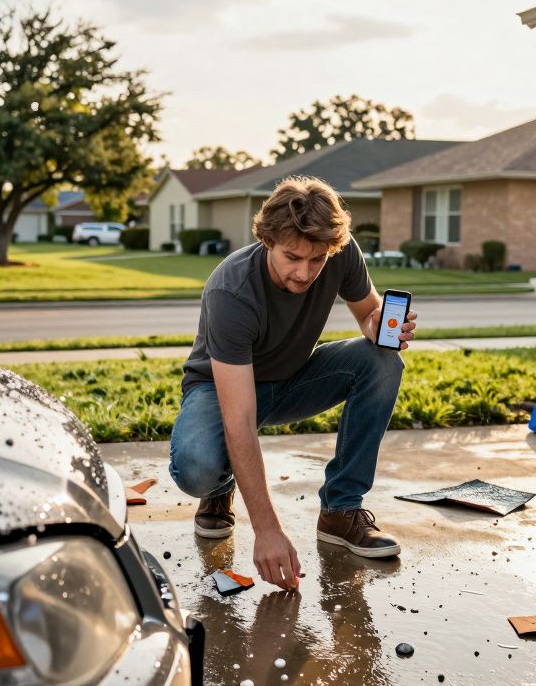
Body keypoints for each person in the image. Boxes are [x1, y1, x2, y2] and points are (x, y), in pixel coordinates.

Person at [168, 176, 418, 591]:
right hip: (220, 391)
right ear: (267, 240)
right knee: (197, 467)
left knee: (382, 361)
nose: (305, 272)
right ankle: (218, 487)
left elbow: (369, 311)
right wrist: (267, 530)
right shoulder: (231, 291)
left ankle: (341, 511)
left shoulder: (338, 251)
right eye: (292, 257)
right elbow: (239, 421)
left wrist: (379, 326)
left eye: (317, 260)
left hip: (294, 378)